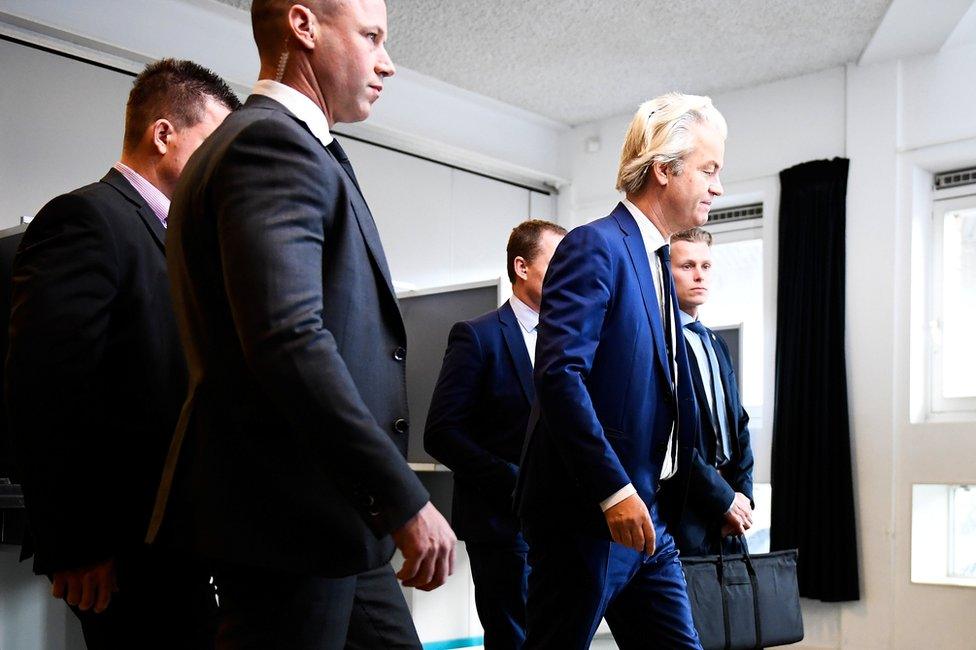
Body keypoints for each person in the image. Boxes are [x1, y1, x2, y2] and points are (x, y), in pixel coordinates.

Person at [145, 1, 456, 648]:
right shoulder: (269, 142)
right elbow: (288, 339)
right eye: (371, 37)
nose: (388, 63)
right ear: (304, 26)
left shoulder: (280, 146)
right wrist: (401, 496)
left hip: (333, 518)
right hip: (288, 518)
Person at [6, 58, 239, 649]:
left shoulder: (179, 239)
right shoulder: (86, 218)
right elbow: (47, 389)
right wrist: (77, 546)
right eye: (213, 146)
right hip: (119, 547)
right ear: (163, 134)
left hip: (179, 539)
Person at [515, 92, 728, 649]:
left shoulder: (659, 261)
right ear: (663, 170)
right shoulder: (595, 247)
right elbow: (560, 376)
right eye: (708, 170)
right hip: (588, 519)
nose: (718, 187)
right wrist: (614, 492)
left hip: (650, 519)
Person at [425, 219, 566, 650]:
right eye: (558, 262)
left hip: (562, 522)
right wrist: (515, 481)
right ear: (522, 267)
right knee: (513, 638)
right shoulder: (477, 336)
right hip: (502, 523)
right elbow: (441, 432)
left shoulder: (573, 338)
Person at [667, 227, 755, 556]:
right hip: (684, 512)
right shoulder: (660, 344)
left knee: (738, 607)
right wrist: (723, 499)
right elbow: (672, 438)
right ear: (665, 271)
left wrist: (742, 495)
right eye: (687, 266)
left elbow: (739, 425)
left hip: (730, 512)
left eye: (705, 267)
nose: (699, 276)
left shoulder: (715, 343)